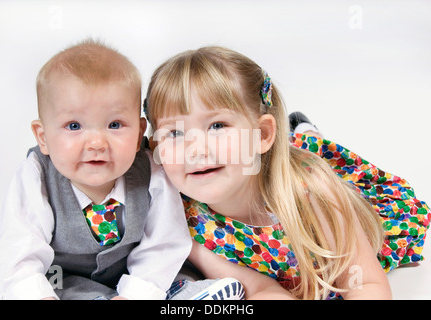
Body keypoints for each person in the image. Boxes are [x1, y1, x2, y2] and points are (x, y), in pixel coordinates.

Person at [143, 46, 430, 299]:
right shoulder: (176, 218)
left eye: (217, 126)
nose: (195, 149)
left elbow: (364, 282)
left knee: (312, 152)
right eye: (175, 132)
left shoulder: (311, 192)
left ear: (263, 134)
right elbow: (261, 290)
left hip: (307, 175)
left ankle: (304, 129)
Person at [0, 39, 240, 300]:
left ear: (139, 134)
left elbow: (165, 243)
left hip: (136, 272)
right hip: (65, 277)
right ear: (43, 137)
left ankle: (189, 295)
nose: (97, 143)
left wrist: (136, 294)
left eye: (115, 125)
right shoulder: (37, 175)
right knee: (60, 287)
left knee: (173, 274)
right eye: (74, 126)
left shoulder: (151, 170)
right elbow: (19, 250)